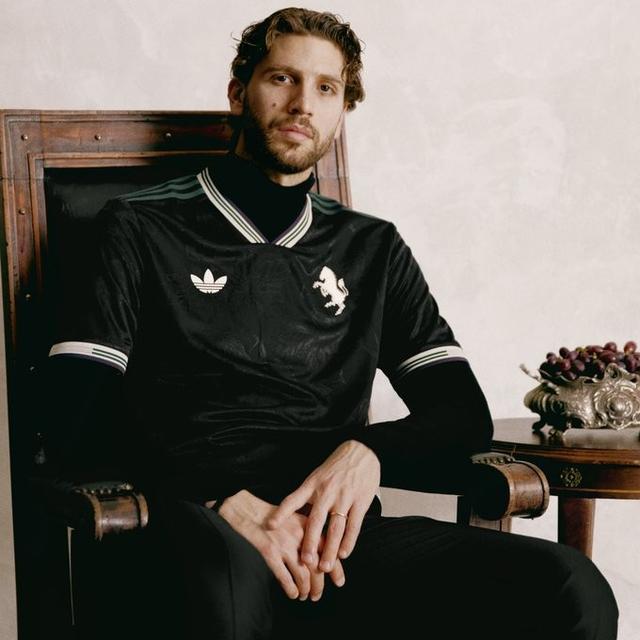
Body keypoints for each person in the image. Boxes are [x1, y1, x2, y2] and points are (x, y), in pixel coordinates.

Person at [43, 7, 618, 640]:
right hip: (195, 526)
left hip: (338, 544)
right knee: (227, 586)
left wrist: (369, 452)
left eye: (325, 88)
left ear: (343, 109)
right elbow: (74, 414)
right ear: (238, 91)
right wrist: (220, 496)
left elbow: (461, 413)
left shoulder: (372, 248)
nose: (302, 104)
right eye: (282, 78)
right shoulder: (138, 227)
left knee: (571, 589)